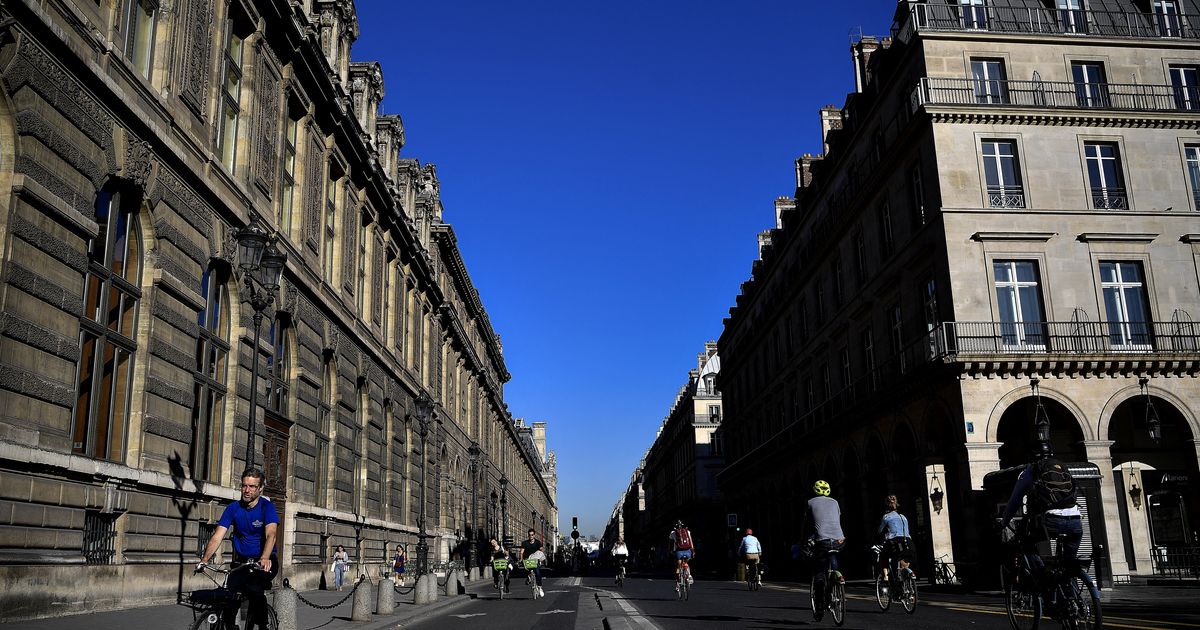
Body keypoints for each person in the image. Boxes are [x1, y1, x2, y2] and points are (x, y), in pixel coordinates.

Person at [197, 469, 280, 630]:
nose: (246, 490)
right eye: (244, 486)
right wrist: (204, 560)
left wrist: (264, 557)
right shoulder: (233, 508)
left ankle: (263, 624)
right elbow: (217, 536)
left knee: (254, 589)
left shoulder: (266, 507)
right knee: (230, 594)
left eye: (252, 486)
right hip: (242, 562)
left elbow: (271, 535)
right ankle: (230, 626)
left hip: (266, 561)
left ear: (260, 488)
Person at [1002, 441, 1082, 569]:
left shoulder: (1030, 472)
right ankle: (1071, 583)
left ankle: (1041, 575)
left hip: (1052, 521)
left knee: (1026, 543)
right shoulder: (1062, 467)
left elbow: (1015, 500)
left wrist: (1005, 521)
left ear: (1032, 456)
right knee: (1069, 565)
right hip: (1075, 520)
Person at [801, 480, 845, 620]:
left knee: (819, 572)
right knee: (833, 557)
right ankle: (836, 582)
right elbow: (837, 519)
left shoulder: (810, 503)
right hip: (840, 540)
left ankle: (819, 606)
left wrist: (803, 541)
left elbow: (807, 525)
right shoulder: (835, 502)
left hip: (822, 541)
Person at [877, 495, 913, 587]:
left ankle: (885, 577)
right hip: (908, 542)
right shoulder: (903, 517)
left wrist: (877, 541)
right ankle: (906, 582)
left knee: (883, 556)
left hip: (895, 542)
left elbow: (879, 531)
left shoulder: (886, 517)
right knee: (904, 560)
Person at [518, 528, 545, 597]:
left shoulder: (538, 542)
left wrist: (541, 553)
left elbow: (541, 550)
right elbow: (521, 552)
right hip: (528, 560)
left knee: (538, 572)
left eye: (532, 535)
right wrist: (521, 559)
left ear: (534, 535)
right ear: (528, 535)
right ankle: (529, 576)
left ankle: (540, 588)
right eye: (530, 535)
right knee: (526, 568)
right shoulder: (525, 543)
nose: (531, 536)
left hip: (536, 560)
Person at [669, 520, 695, 589]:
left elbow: (671, 542)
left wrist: (670, 551)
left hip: (678, 551)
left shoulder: (673, 533)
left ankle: (677, 584)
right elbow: (691, 541)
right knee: (686, 562)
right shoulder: (687, 531)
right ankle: (689, 575)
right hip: (688, 550)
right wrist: (692, 550)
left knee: (678, 566)